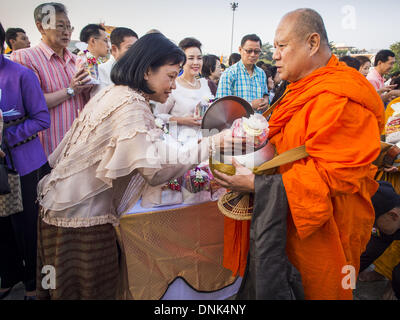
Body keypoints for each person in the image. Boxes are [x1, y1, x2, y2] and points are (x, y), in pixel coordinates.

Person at [35, 32, 236, 300]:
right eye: (171, 75)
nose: (173, 85)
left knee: (60, 289)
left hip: (59, 210)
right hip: (80, 223)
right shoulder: (130, 104)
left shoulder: (115, 94)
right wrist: (213, 143)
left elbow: (151, 151)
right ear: (146, 71)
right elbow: (155, 171)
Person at [212, 8, 384, 300]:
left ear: (312, 43)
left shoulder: (341, 97)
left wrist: (256, 184)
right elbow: (285, 145)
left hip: (325, 232)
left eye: (281, 46)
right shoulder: (298, 89)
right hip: (289, 223)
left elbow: (339, 176)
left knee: (322, 290)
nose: (274, 55)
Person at [0, 21, 50, 301]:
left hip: (23, 164)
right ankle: (8, 276)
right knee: (2, 226)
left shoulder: (20, 75)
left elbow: (42, 118)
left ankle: (33, 281)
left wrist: (4, 138)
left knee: (26, 226)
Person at [11, 2, 92, 157]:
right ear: (41, 27)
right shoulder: (25, 57)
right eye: (60, 26)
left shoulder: (77, 60)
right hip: (47, 149)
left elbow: (86, 100)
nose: (67, 32)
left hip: (77, 148)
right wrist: (70, 90)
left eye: (69, 27)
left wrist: (89, 88)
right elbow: (31, 103)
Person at [154, 37, 213, 146]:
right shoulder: (173, 85)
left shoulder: (204, 84)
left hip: (202, 141)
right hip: (179, 143)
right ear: (181, 60)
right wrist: (181, 120)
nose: (196, 62)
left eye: (199, 58)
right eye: (191, 58)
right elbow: (157, 116)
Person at [359, 181, 400, 300]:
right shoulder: (387, 224)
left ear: (393, 215)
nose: (372, 228)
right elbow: (367, 254)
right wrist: (346, 278)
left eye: (373, 223)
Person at [216, 34, 269, 112]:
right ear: (240, 50)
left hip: (258, 122)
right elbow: (223, 105)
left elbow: (265, 93)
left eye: (256, 51)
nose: (253, 54)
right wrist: (250, 105)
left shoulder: (261, 73)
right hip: (236, 123)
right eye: (249, 51)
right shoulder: (229, 74)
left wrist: (265, 100)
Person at [90, 27, 138, 97]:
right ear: (114, 49)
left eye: (137, 48)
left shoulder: (135, 71)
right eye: (130, 48)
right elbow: (99, 102)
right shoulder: (101, 71)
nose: (135, 52)